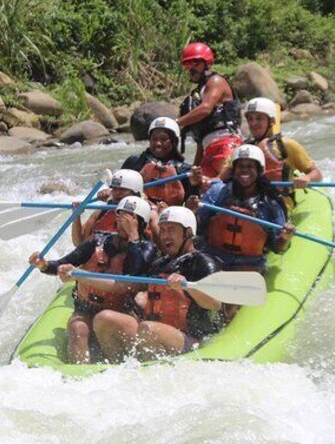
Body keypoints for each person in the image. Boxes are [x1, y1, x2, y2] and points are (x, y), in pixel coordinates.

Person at [29, 196, 157, 364]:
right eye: (120, 216)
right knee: (77, 327)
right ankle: (79, 373)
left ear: (140, 223)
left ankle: (117, 365)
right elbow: (64, 263)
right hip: (87, 308)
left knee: (104, 318)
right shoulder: (98, 240)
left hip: (121, 313)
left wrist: (133, 237)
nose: (122, 222)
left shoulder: (147, 248)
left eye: (129, 219)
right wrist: (44, 265)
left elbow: (132, 275)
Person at [92, 206, 225, 362]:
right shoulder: (161, 263)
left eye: (171, 230)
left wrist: (187, 286)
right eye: (162, 230)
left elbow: (216, 304)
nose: (165, 235)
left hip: (190, 339)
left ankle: (147, 375)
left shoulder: (203, 262)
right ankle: (118, 369)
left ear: (187, 233)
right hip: (153, 331)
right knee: (104, 319)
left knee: (148, 329)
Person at [188, 145, 294, 274]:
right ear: (234, 170)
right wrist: (192, 212)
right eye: (240, 166)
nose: (244, 171)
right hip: (213, 258)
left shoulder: (270, 203)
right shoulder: (218, 191)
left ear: (259, 170)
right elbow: (198, 227)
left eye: (250, 166)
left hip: (249, 264)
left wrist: (286, 237)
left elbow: (278, 247)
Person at [176, 42, 243, 179]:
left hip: (227, 144)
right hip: (208, 151)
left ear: (206, 63)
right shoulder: (197, 93)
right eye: (188, 65)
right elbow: (202, 138)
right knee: (203, 190)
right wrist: (196, 166)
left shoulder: (216, 81)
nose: (191, 68)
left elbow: (205, 109)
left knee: (224, 185)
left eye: (195, 63)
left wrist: (177, 123)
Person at [121, 117, 202, 208]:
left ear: (173, 141)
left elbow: (190, 202)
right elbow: (117, 189)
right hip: (137, 210)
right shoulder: (134, 162)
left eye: (163, 139)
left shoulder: (185, 170)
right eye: (154, 139)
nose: (158, 143)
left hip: (170, 215)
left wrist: (194, 185)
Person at [71, 169, 144, 246]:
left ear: (136, 193)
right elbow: (78, 243)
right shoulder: (102, 211)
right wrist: (76, 216)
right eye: (114, 188)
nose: (117, 193)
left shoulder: (145, 215)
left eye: (123, 190)